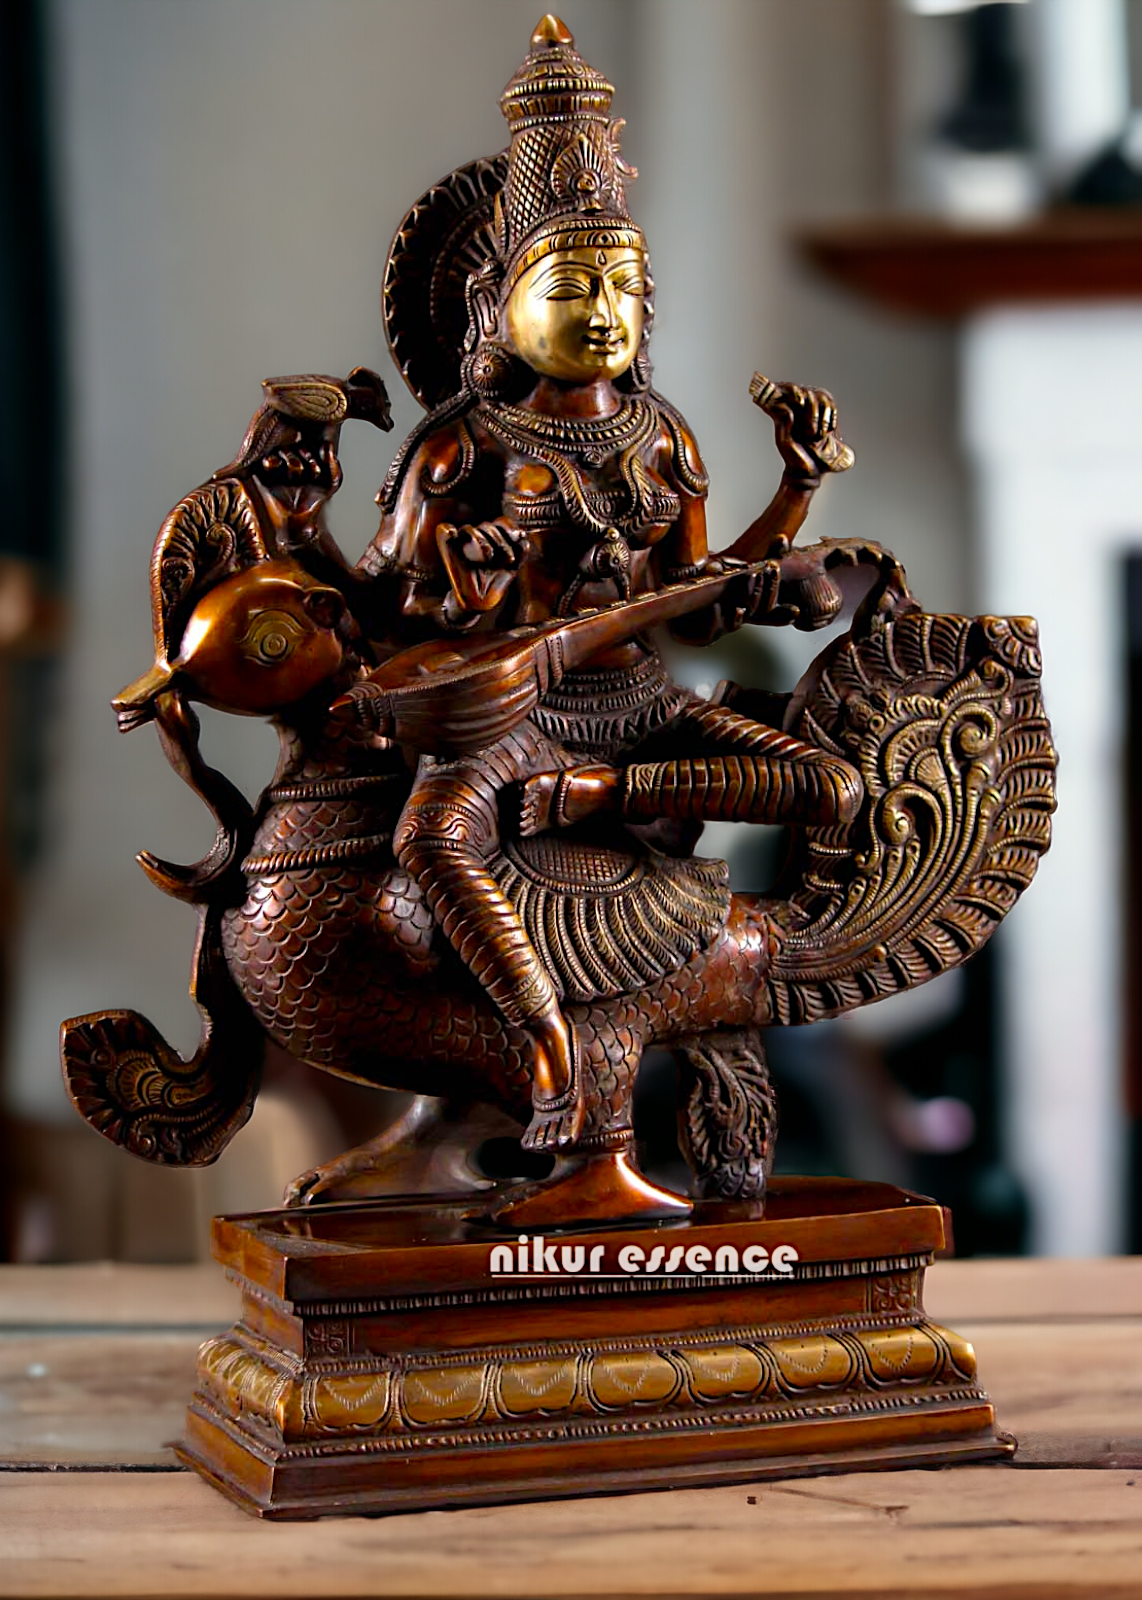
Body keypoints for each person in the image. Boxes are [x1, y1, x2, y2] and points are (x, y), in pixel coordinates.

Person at [351, 17, 858, 1151]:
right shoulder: (459, 446)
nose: (603, 309)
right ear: (495, 305)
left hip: (636, 708)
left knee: (828, 787)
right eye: (571, 281)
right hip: (512, 717)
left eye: (623, 284)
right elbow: (392, 608)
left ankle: (602, 810)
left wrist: (794, 492)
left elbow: (704, 594)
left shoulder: (661, 437)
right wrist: (462, 578)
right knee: (434, 836)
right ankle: (538, 1044)